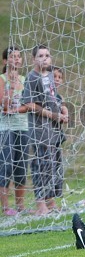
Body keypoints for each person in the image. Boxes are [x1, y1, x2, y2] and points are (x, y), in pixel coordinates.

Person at [22, 44, 68, 215]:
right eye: (40, 56)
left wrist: (63, 110)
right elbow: (29, 104)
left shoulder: (50, 76)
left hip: (54, 129)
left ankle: (51, 201)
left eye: (47, 55)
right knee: (41, 165)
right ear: (34, 59)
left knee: (54, 165)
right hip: (40, 129)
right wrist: (51, 114)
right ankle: (40, 203)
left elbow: (55, 99)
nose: (44, 58)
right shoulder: (32, 78)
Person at [0, 46, 29, 216]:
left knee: (21, 167)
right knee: (6, 165)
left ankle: (20, 206)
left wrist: (19, 109)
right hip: (5, 128)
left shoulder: (25, 79)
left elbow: (30, 104)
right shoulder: (2, 79)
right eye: (12, 56)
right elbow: (4, 105)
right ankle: (5, 207)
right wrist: (10, 85)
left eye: (18, 56)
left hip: (22, 127)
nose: (16, 59)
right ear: (5, 61)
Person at [52, 66, 68, 201]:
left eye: (59, 77)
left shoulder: (59, 96)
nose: (57, 79)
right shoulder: (46, 94)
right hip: (45, 135)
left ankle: (58, 195)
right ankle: (48, 198)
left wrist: (65, 115)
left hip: (57, 134)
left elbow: (63, 108)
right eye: (54, 76)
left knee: (58, 166)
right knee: (48, 166)